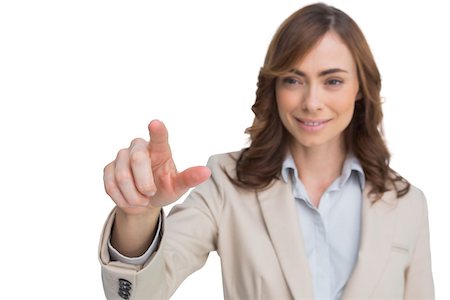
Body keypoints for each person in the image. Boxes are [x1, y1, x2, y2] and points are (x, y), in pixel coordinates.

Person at [98, 3, 434, 299]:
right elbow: (140, 295)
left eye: (332, 81)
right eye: (293, 79)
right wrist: (138, 214)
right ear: (273, 86)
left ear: (360, 88)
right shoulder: (226, 183)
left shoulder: (407, 204)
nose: (312, 103)